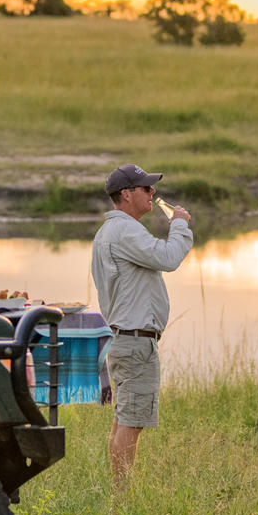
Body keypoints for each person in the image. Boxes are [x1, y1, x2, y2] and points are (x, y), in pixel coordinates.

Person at [90, 163, 193, 486]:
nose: (153, 192)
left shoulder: (109, 232)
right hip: (135, 341)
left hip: (123, 339)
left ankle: (119, 497)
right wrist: (179, 225)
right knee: (131, 422)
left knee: (124, 420)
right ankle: (122, 500)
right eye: (146, 188)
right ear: (126, 194)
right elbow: (169, 258)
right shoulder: (125, 231)